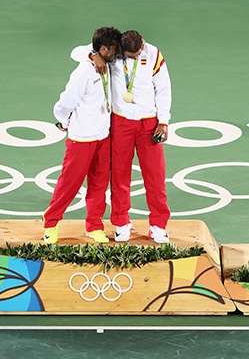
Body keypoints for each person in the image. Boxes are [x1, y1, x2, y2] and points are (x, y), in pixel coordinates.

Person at [71, 30, 172, 244]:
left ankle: (158, 225)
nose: (134, 58)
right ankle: (121, 222)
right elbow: (75, 52)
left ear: (143, 44)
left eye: (137, 54)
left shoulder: (154, 55)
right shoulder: (115, 54)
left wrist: (163, 120)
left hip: (149, 123)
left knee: (155, 177)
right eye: (130, 55)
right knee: (120, 175)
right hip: (121, 122)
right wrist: (93, 55)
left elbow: (163, 89)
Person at [42, 27, 122, 244]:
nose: (117, 54)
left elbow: (81, 49)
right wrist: (63, 121)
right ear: (103, 49)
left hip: (103, 135)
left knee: (99, 183)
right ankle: (51, 223)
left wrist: (94, 55)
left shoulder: (105, 60)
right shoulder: (82, 73)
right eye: (113, 50)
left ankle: (94, 225)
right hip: (81, 138)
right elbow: (65, 102)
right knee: (70, 183)